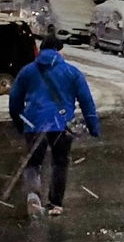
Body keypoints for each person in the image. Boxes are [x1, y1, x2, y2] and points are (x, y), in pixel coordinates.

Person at [8, 38, 101, 218]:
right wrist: (93, 125)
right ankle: (55, 203)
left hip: (34, 123)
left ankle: (33, 195)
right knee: (60, 162)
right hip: (62, 124)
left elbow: (14, 100)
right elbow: (86, 100)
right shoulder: (71, 71)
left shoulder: (27, 71)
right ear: (59, 51)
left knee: (33, 163)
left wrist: (20, 123)